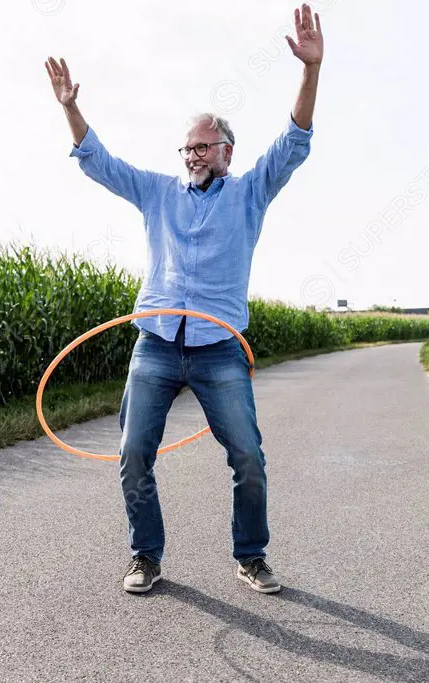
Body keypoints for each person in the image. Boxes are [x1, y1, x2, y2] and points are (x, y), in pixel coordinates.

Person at [45, 3, 323, 594]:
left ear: (227, 150)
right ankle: (146, 556)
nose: (194, 155)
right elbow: (98, 162)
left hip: (218, 347)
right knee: (133, 451)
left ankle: (251, 556)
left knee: (247, 457)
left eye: (204, 146)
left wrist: (310, 71)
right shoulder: (156, 192)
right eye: (188, 147)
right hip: (156, 343)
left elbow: (295, 142)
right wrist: (71, 108)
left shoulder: (251, 193)